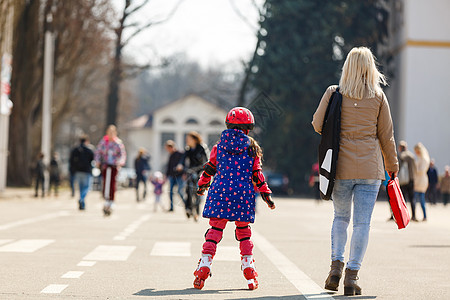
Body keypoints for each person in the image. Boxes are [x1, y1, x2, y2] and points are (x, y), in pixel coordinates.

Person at [312, 47, 399, 296]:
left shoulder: (334, 93)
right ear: (371, 67)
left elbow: (317, 125)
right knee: (362, 223)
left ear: (347, 66)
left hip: (341, 167)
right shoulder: (379, 96)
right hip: (371, 168)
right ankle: (352, 276)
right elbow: (387, 136)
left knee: (340, 218)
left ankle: (335, 268)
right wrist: (392, 167)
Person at [192, 107, 275, 290]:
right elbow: (257, 174)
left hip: (220, 193)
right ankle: (249, 270)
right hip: (243, 195)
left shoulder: (218, 146)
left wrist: (201, 186)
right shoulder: (253, 148)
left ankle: (204, 267)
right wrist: (266, 194)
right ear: (248, 128)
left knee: (214, 231)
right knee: (244, 232)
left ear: (228, 125)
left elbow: (209, 169)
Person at [95, 125, 126, 216]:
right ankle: (106, 199)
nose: (111, 134)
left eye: (112, 132)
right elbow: (98, 152)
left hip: (114, 165)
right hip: (105, 165)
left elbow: (122, 154)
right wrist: (97, 161)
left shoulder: (118, 143)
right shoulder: (103, 142)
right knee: (105, 182)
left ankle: (112, 200)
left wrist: (120, 162)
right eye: (109, 132)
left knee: (112, 182)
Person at [176, 131, 208, 221]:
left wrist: (206, 169)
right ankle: (188, 208)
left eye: (188, 139)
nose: (187, 140)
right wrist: (180, 165)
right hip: (190, 171)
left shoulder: (202, 147)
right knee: (188, 190)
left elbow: (207, 160)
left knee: (198, 192)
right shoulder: (188, 149)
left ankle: (197, 212)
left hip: (200, 171)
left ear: (194, 139)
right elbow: (183, 159)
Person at [70, 136, 95, 210]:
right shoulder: (89, 150)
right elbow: (93, 160)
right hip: (86, 171)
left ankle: (82, 204)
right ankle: (81, 199)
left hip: (77, 172)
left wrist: (72, 171)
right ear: (86, 141)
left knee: (81, 188)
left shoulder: (75, 150)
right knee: (87, 187)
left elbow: (71, 161)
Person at [396, 141, 418, 221]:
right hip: (411, 180)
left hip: (404, 180)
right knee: (412, 198)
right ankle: (414, 216)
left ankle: (403, 216)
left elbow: (398, 167)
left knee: (403, 199)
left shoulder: (401, 156)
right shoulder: (412, 156)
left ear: (400, 148)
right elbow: (415, 168)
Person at [165, 140, 184, 212]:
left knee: (180, 191)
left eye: (168, 148)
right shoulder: (170, 155)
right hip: (172, 176)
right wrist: (166, 175)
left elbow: (184, 164)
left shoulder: (180, 153)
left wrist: (184, 173)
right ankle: (171, 207)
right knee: (170, 192)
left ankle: (187, 205)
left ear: (171, 147)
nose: (167, 150)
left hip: (179, 176)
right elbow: (169, 166)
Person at [414, 143, 430, 221]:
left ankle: (423, 215)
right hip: (419, 179)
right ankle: (423, 216)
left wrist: (415, 170)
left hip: (421, 180)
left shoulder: (424, 159)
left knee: (418, 198)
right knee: (421, 199)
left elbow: (421, 170)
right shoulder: (421, 158)